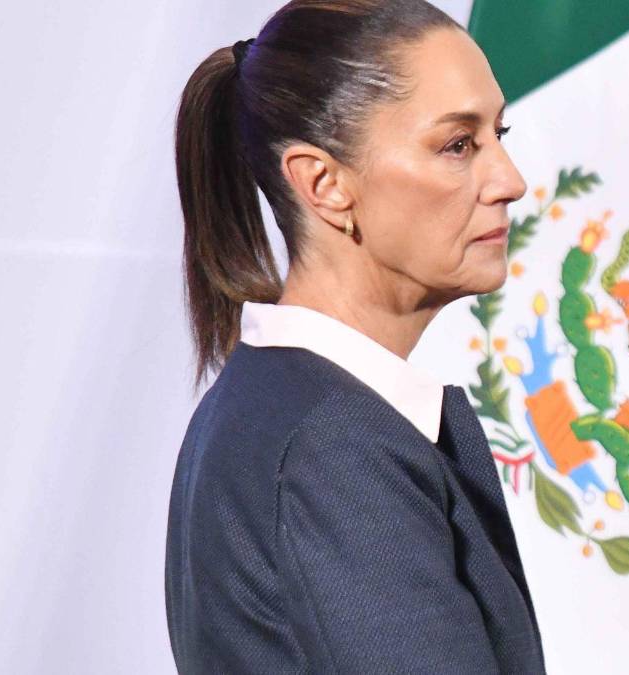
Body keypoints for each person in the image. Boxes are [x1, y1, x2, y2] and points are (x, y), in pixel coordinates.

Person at [163, 1, 545, 672]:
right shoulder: (331, 450)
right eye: (458, 144)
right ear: (324, 184)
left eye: (499, 133)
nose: (510, 181)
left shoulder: (285, 413)